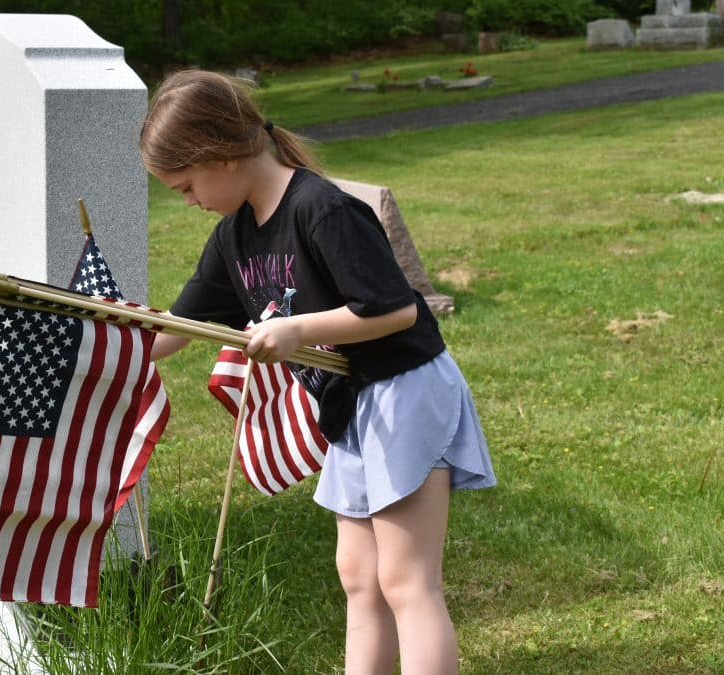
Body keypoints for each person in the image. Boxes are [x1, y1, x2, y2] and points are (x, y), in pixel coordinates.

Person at [139, 70, 496, 675]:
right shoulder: (233, 238)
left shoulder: (323, 209)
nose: (189, 201)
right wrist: (94, 338)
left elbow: (394, 309)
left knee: (407, 580)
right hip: (350, 405)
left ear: (221, 157)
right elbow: (178, 327)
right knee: (359, 579)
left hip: (403, 393)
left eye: (185, 186)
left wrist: (298, 329)